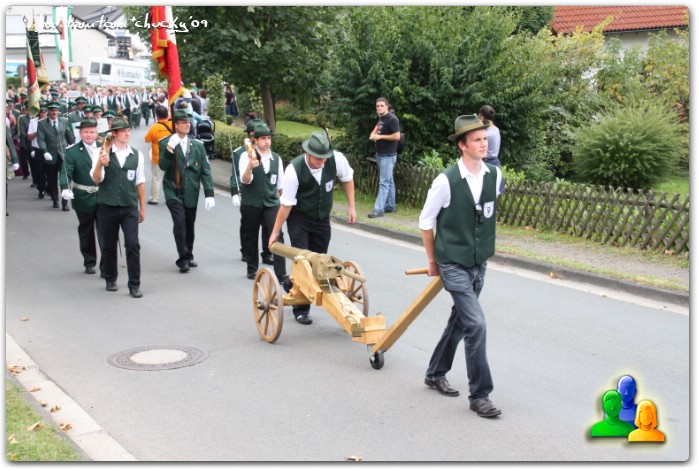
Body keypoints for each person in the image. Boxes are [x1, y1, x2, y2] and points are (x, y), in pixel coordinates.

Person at [418, 114, 503, 418]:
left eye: (485, 139)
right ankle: (480, 395)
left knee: (460, 321)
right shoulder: (446, 181)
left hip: (479, 261)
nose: (484, 144)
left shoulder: (494, 175)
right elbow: (425, 222)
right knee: (475, 324)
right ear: (462, 146)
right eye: (477, 140)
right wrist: (433, 261)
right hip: (452, 262)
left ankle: (434, 372)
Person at [269, 131, 356, 325]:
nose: (323, 162)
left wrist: (351, 206)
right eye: (319, 158)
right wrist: (275, 232)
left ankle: (290, 283)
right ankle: (301, 310)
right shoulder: (294, 170)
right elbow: (286, 204)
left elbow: (348, 178)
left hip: (322, 219)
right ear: (308, 154)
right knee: (304, 262)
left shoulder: (337, 159)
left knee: (319, 262)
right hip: (299, 218)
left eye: (325, 158)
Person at [91, 116, 146, 298]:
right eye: (123, 131)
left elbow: (140, 182)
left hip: (129, 206)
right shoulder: (102, 152)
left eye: (128, 130)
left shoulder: (137, 155)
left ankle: (134, 284)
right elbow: (96, 179)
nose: (127, 134)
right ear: (114, 133)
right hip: (107, 206)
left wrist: (142, 208)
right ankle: (110, 278)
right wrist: (100, 163)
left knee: (132, 244)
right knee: (108, 245)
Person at [158, 109, 215, 272]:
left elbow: (205, 170)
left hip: (191, 192)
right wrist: (170, 148)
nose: (187, 125)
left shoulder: (198, 146)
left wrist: (209, 193)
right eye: (183, 122)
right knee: (179, 223)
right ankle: (182, 258)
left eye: (188, 122)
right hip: (173, 190)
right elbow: (163, 166)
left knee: (189, 225)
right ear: (175, 125)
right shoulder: (165, 143)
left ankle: (189, 254)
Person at [238, 122, 287, 282]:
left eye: (269, 138)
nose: (267, 141)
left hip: (271, 202)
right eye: (263, 138)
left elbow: (281, 185)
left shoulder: (276, 158)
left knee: (277, 235)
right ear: (255, 140)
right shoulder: (246, 156)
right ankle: (252, 268)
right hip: (251, 202)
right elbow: (245, 180)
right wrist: (249, 168)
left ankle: (281, 274)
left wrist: (286, 203)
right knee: (251, 235)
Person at [59, 117, 104, 276]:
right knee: (86, 230)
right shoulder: (72, 151)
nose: (89, 135)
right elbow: (66, 171)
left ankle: (107, 265)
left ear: (96, 132)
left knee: (106, 231)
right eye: (85, 132)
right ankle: (89, 261)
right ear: (80, 133)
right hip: (83, 197)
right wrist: (65, 187)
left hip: (104, 196)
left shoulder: (105, 148)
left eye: (92, 131)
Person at [230, 118, 273, 264]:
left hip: (265, 195)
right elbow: (235, 174)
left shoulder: (268, 152)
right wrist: (234, 192)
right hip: (248, 193)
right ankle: (246, 251)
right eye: (254, 134)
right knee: (248, 226)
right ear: (250, 135)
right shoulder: (240, 153)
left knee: (268, 225)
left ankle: (267, 253)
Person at [37, 101, 75, 210]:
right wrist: (45, 151)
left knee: (65, 178)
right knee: (52, 179)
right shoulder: (42, 123)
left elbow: (69, 135)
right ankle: (55, 200)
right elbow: (40, 139)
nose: (54, 112)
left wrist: (73, 147)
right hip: (50, 155)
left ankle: (65, 202)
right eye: (52, 110)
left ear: (58, 111)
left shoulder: (64, 121)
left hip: (63, 154)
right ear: (48, 111)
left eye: (56, 110)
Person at [368, 97, 400, 218]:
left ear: (387, 106)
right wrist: (373, 134)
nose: (379, 108)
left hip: (388, 155)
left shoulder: (392, 119)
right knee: (389, 180)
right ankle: (390, 206)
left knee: (384, 182)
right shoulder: (381, 118)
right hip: (380, 154)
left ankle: (378, 209)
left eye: (382, 106)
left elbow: (397, 136)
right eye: (377, 106)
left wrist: (380, 137)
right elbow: (376, 129)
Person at [144, 106, 171, 205]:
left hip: (158, 157)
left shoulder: (154, 127)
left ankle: (154, 198)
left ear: (157, 116)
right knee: (170, 178)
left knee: (156, 178)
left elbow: (147, 139)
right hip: (171, 156)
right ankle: (171, 197)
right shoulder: (172, 125)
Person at [478, 105, 505, 194]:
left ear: (482, 117)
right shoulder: (496, 130)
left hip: (486, 164)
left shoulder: (486, 133)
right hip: (496, 164)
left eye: (479, 117)